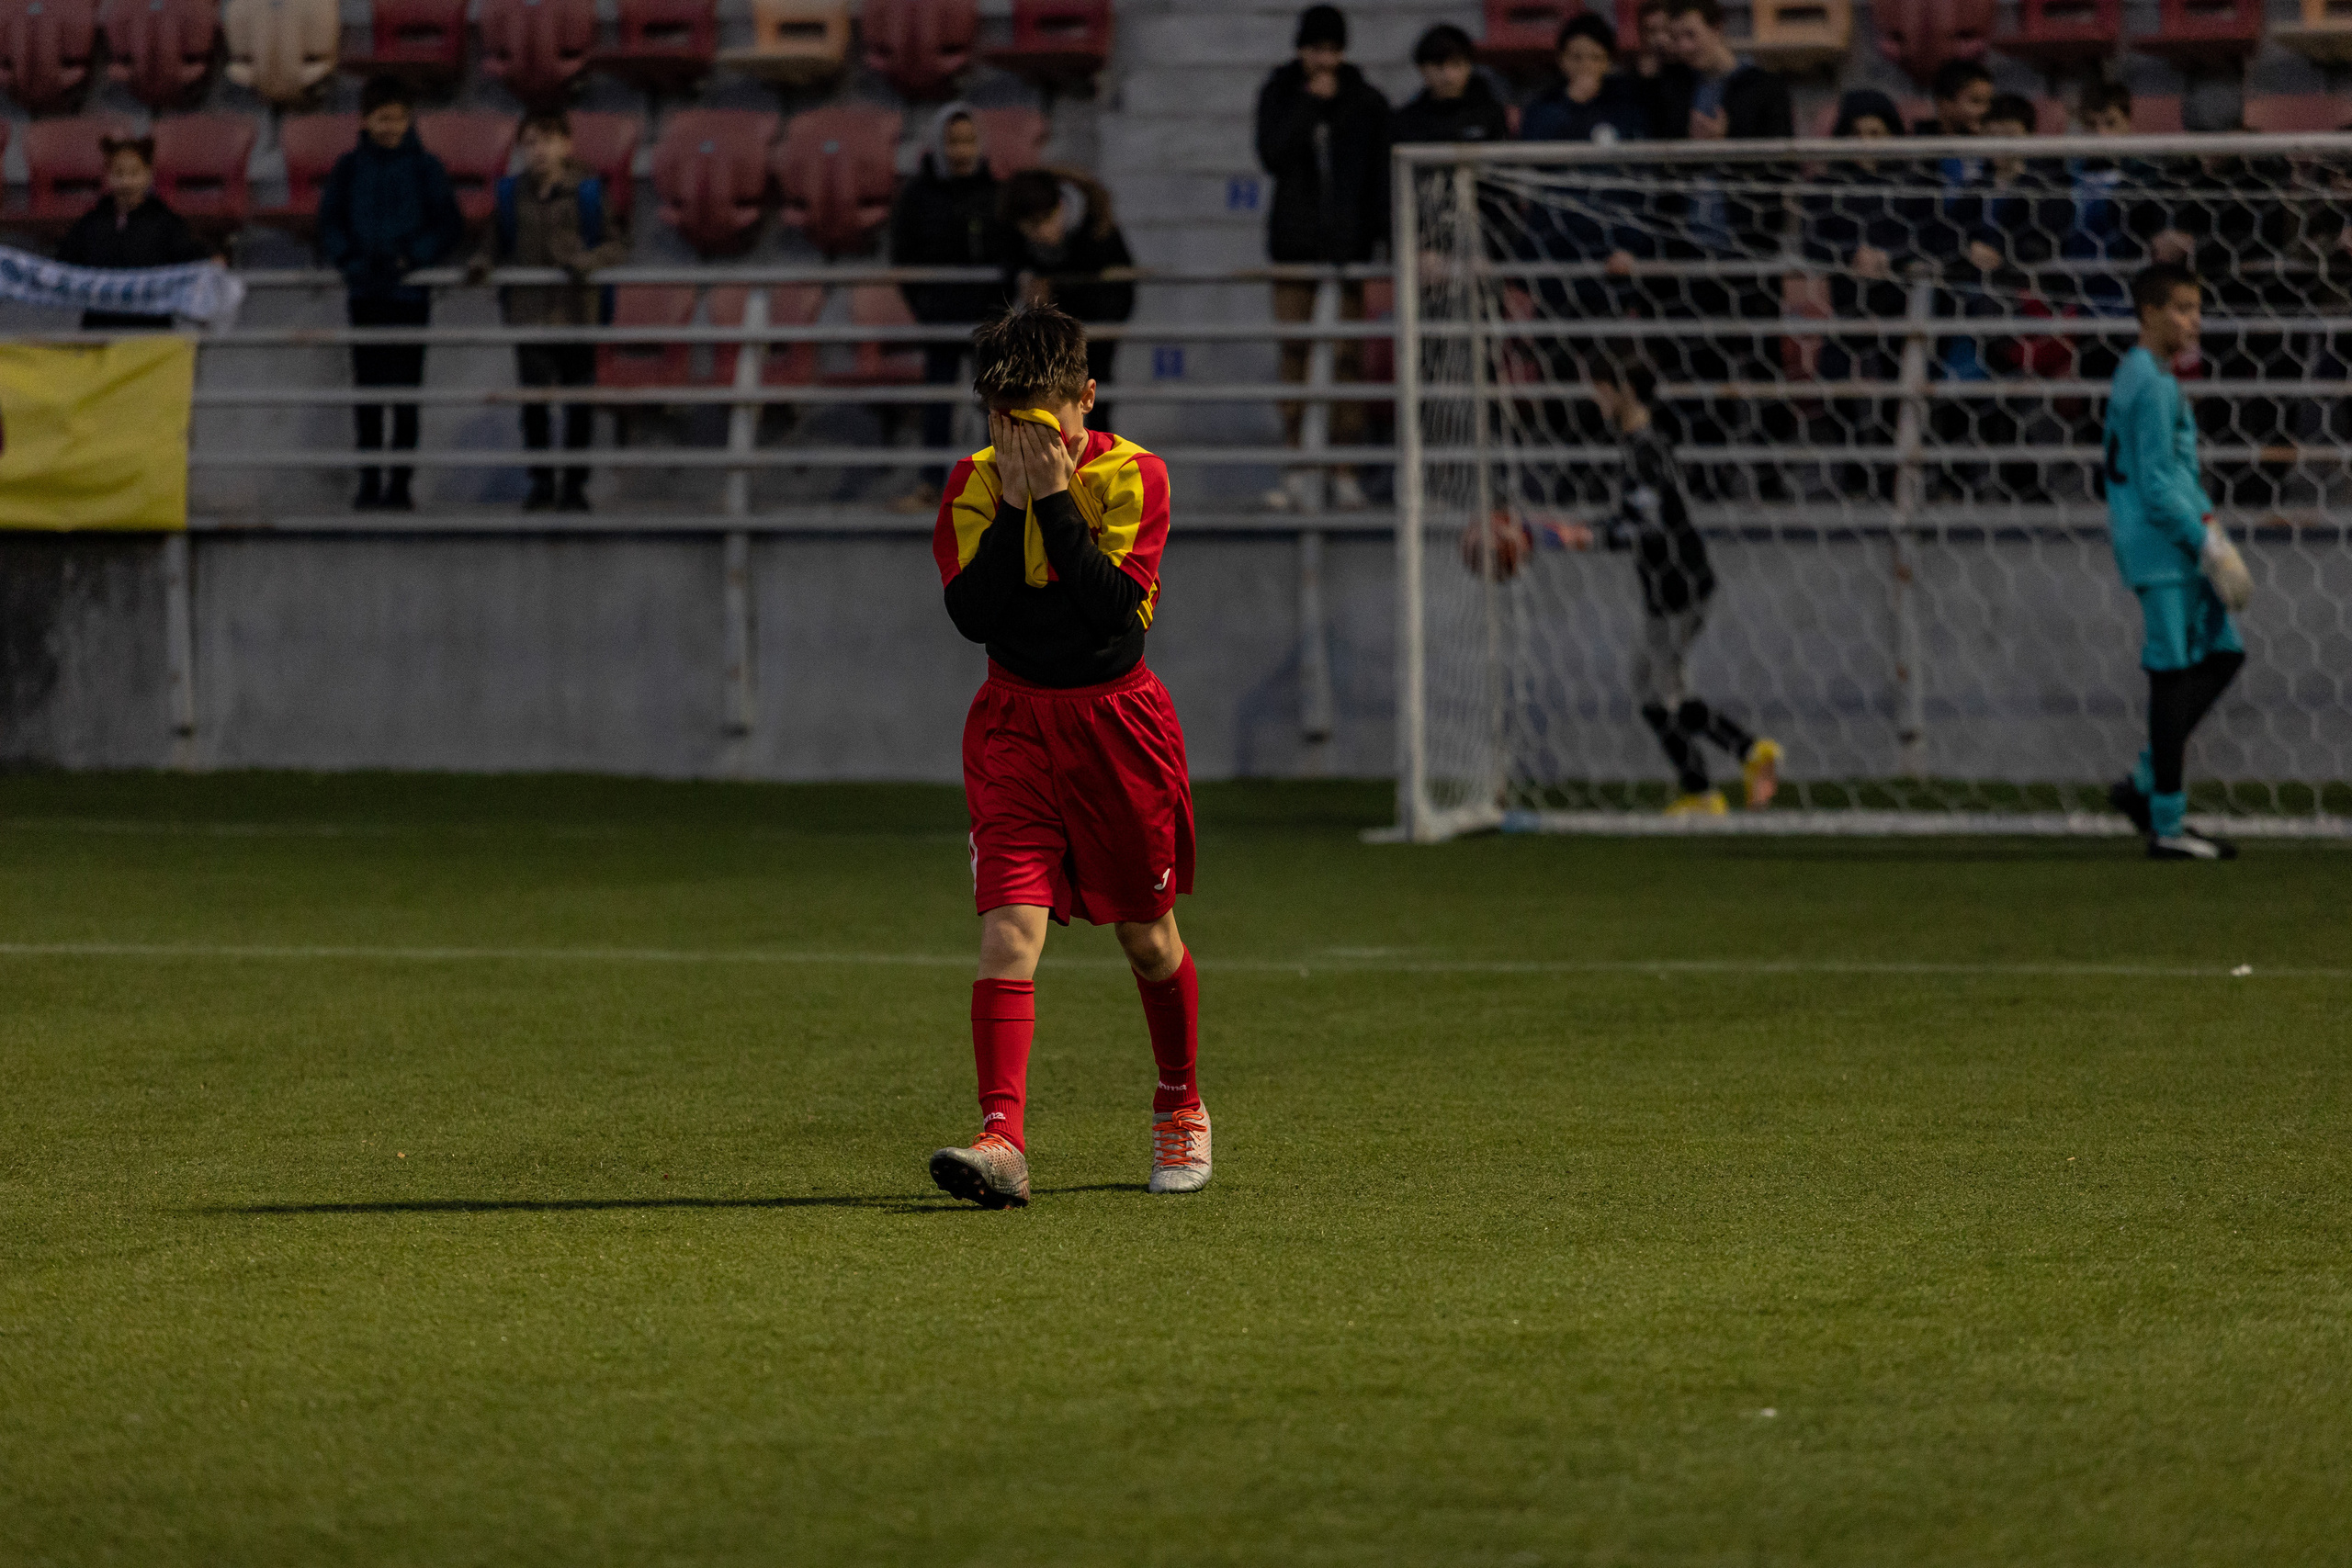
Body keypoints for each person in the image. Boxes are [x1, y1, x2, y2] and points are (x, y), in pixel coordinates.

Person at [926, 306, 1205, 1207]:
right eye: (1002, 423)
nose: (1017, 442)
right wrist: (1013, 503)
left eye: (1037, 424)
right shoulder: (973, 484)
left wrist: (1049, 498)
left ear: (1085, 400)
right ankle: (1001, 1137)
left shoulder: (1136, 478)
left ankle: (1179, 1101)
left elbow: (1111, 615)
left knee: (1147, 937)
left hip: (1116, 729)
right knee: (1009, 931)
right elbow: (977, 616)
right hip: (1013, 726)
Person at [1559, 359, 1781, 814]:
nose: (1595, 399)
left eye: (1601, 389)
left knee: (1659, 693)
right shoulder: (1642, 445)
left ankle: (1740, 762)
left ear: (1624, 390)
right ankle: (1713, 779)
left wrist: (1593, 536)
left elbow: (1648, 526)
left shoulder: (1646, 450)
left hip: (1679, 589)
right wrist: (1590, 531)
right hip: (1671, 587)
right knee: (1654, 687)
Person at [2102, 263, 2250, 860]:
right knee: (2172, 673)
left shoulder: (2141, 374)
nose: (2194, 320)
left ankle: (2144, 783)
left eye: (2197, 308)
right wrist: (2208, 543)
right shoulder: (2154, 383)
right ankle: (2166, 821)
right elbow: (2160, 484)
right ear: (2149, 313)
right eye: (2183, 308)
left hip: (2178, 540)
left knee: (2224, 651)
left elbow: (2170, 475)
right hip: (2165, 547)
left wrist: (2211, 527)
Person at [1254, 4, 1390, 512]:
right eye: (1315, 50)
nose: (1324, 61)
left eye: (1332, 50)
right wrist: (1309, 106)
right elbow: (1271, 154)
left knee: (1347, 362)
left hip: (1348, 253)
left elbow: (1379, 176)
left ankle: (1344, 469)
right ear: (1300, 49)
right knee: (1296, 357)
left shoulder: (1367, 102)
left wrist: (1376, 239)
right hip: (1293, 249)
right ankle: (1298, 469)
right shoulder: (1280, 91)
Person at [466, 109, 631, 513]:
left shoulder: (588, 192)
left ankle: (574, 486)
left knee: (578, 406)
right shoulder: (509, 194)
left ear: (567, 145)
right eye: (532, 143)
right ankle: (540, 483)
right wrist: (481, 264)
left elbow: (615, 245)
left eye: (549, 141)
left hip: (577, 313)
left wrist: (586, 261)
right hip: (529, 315)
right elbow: (493, 245)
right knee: (535, 405)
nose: (540, 151)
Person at [318, 74, 464, 512]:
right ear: (364, 120)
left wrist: (411, 258)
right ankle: (368, 482)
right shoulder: (348, 168)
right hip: (365, 294)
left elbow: (447, 225)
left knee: (404, 394)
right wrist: (351, 261)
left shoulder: (426, 168)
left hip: (408, 297)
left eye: (398, 118)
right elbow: (330, 223)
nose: (391, 127)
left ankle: (400, 484)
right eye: (382, 119)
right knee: (367, 394)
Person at [890, 104, 1004, 513]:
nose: (963, 150)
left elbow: (1008, 254)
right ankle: (929, 485)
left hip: (987, 319)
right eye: (955, 141)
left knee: (994, 404)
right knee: (938, 403)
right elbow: (902, 256)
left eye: (970, 141)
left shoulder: (994, 191)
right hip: (939, 316)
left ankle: (995, 488)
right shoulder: (918, 195)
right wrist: (924, 306)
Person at [996, 167, 1136, 429]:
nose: (1041, 232)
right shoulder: (1016, 238)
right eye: (1031, 226)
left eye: (1046, 220)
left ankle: (1096, 464)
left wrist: (1055, 290)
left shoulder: (1096, 229)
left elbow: (1120, 288)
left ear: (1060, 206)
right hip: (1050, 340)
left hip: (1093, 332)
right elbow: (1008, 265)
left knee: (1095, 402)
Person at [55, 134, 216, 330]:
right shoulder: (90, 222)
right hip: (99, 328)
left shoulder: (166, 222)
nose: (126, 181)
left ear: (148, 174)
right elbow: (63, 266)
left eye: (134, 173)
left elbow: (192, 258)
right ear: (107, 176)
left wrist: (212, 263)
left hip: (151, 330)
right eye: (119, 174)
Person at [1389, 24, 1510, 145]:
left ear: (1469, 66)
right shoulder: (1407, 121)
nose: (1448, 76)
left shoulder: (1491, 115)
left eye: (1456, 64)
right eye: (1438, 66)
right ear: (1422, 69)